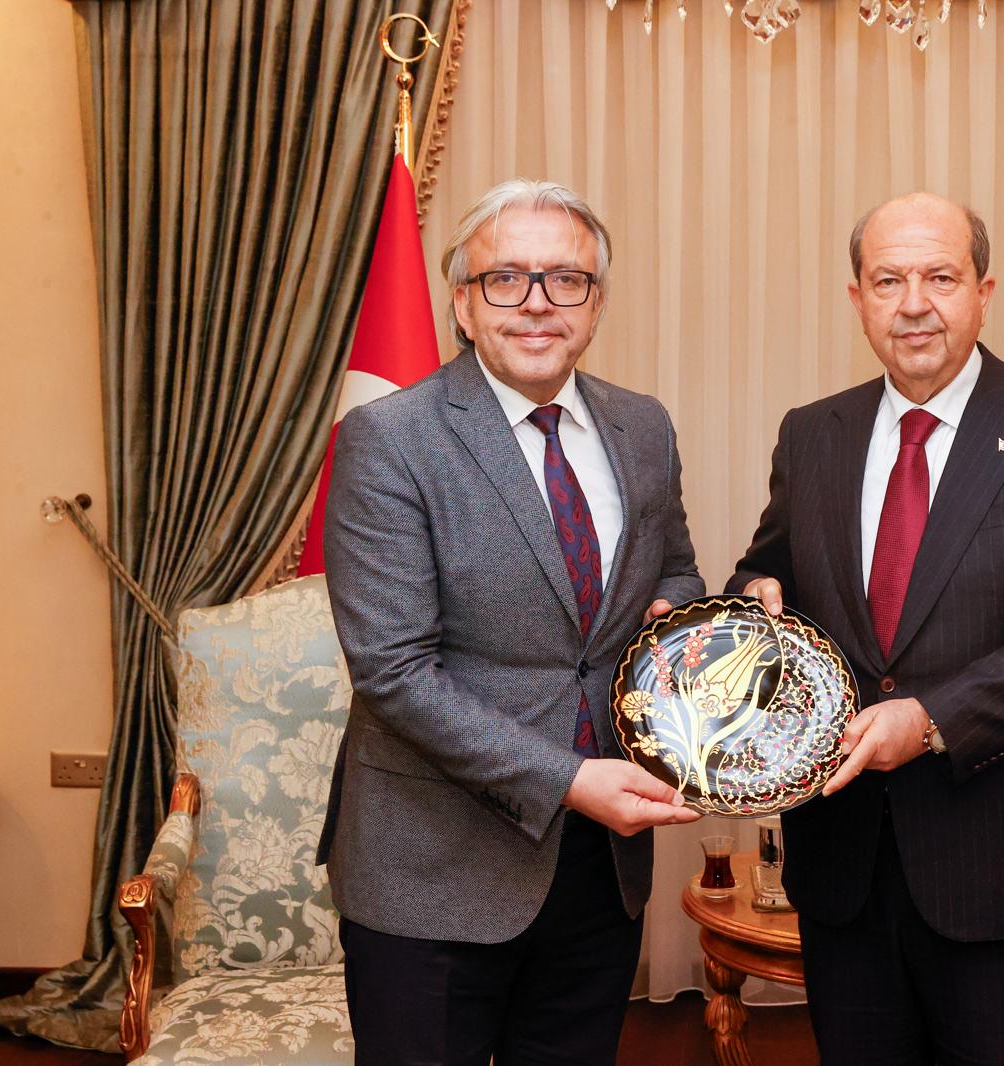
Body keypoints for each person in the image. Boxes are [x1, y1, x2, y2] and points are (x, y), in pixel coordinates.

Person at [728, 192, 1004, 1064]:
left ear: (984, 291)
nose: (914, 304)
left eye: (940, 278)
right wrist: (753, 597)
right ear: (858, 299)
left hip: (1003, 864)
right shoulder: (812, 434)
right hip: (842, 865)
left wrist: (930, 719)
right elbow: (764, 574)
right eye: (889, 281)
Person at [317, 179, 704, 1065]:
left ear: (595, 304)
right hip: (433, 869)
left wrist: (678, 622)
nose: (537, 303)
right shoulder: (390, 437)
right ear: (462, 302)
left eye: (566, 279)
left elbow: (674, 570)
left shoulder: (642, 426)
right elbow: (393, 672)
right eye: (506, 279)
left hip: (601, 865)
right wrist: (569, 779)